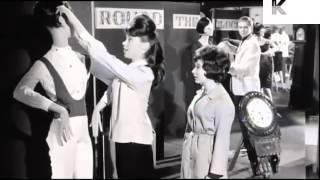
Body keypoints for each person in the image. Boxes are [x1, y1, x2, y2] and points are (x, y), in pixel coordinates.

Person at [56, 6, 165, 179]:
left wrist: (71, 17)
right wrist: (98, 108)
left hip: (135, 144)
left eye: (130, 40)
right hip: (124, 142)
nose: (124, 43)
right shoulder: (128, 72)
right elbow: (113, 85)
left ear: (145, 45)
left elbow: (101, 55)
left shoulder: (143, 74)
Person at [13, 2, 93, 178]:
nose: (73, 20)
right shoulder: (43, 63)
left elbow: (97, 50)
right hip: (61, 134)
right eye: (69, 15)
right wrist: (58, 108)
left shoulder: (82, 57)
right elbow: (20, 91)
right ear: (60, 17)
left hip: (83, 134)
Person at [180, 45, 235, 179]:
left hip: (206, 159)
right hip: (191, 154)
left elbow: (222, 142)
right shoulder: (201, 94)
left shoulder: (223, 102)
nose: (193, 71)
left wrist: (214, 175)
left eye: (198, 67)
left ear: (211, 68)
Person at [225, 16, 262, 176]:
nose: (242, 30)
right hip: (241, 90)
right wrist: (229, 48)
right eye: (240, 27)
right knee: (246, 128)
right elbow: (241, 54)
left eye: (245, 27)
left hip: (246, 91)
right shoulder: (246, 41)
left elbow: (244, 68)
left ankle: (255, 163)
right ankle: (256, 161)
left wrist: (228, 66)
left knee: (247, 129)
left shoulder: (253, 44)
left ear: (251, 28)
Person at [254, 23, 274, 102]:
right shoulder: (253, 41)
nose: (263, 32)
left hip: (266, 65)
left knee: (266, 88)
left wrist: (270, 51)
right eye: (262, 31)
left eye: (263, 31)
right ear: (258, 31)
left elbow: (276, 47)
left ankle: (272, 107)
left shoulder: (267, 41)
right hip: (256, 65)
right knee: (259, 87)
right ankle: (263, 106)